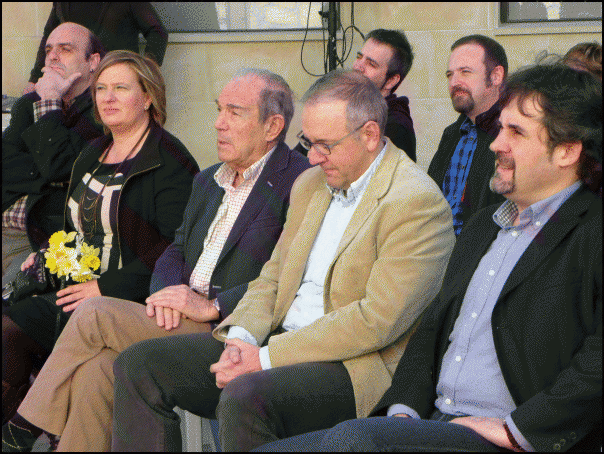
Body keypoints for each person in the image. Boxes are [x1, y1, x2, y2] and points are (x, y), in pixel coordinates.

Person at [260, 63, 602, 452]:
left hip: (510, 439)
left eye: (516, 132)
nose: (496, 144)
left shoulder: (592, 231)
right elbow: (432, 329)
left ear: (567, 151)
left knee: (353, 439)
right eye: (500, 128)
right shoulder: (483, 227)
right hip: (436, 424)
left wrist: (520, 430)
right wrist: (403, 412)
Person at [110, 69, 455, 452]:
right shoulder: (312, 184)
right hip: (272, 341)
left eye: (325, 145)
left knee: (246, 395)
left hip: (351, 366)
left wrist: (264, 358)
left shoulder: (415, 202)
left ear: (370, 135)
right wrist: (239, 340)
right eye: (308, 142)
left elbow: (375, 322)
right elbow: (272, 279)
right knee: (139, 365)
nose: (312, 157)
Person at [1, 68, 310, 452]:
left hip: (234, 328)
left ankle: (23, 426)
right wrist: (166, 293)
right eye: (219, 109)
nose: (219, 123)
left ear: (273, 126)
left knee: (92, 313)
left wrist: (213, 305)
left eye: (234, 112)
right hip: (169, 312)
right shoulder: (208, 179)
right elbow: (175, 248)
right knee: (97, 370)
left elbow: (292, 277)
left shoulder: (299, 183)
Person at [1, 50, 199, 433]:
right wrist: (49, 259)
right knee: (9, 323)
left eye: (121, 88)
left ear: (148, 97)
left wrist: (104, 288)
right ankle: (32, 432)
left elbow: (173, 250)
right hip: (79, 290)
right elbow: (80, 234)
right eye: (101, 88)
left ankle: (26, 432)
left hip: (131, 302)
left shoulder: (171, 161)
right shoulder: (94, 152)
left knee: (13, 332)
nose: (107, 98)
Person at [2, 22, 106, 281]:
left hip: (39, 238)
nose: (53, 56)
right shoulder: (28, 105)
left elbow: (61, 167)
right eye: (48, 50)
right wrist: (48, 175)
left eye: (65, 49)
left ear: (93, 62)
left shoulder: (103, 110)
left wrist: (50, 102)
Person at [295, 29, 417, 162]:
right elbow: (297, 158)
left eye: (371, 64)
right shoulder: (341, 106)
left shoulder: (395, 127)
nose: (358, 66)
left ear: (391, 80)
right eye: (359, 57)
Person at [427, 34, 507, 236]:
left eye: (465, 72)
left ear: (496, 76)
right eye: (449, 75)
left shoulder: (509, 137)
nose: (454, 82)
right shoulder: (452, 134)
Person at [23, 2, 167, 95]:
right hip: (76, 88)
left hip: (116, 83)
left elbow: (157, 31)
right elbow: (49, 36)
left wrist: (146, 72)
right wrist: (35, 78)